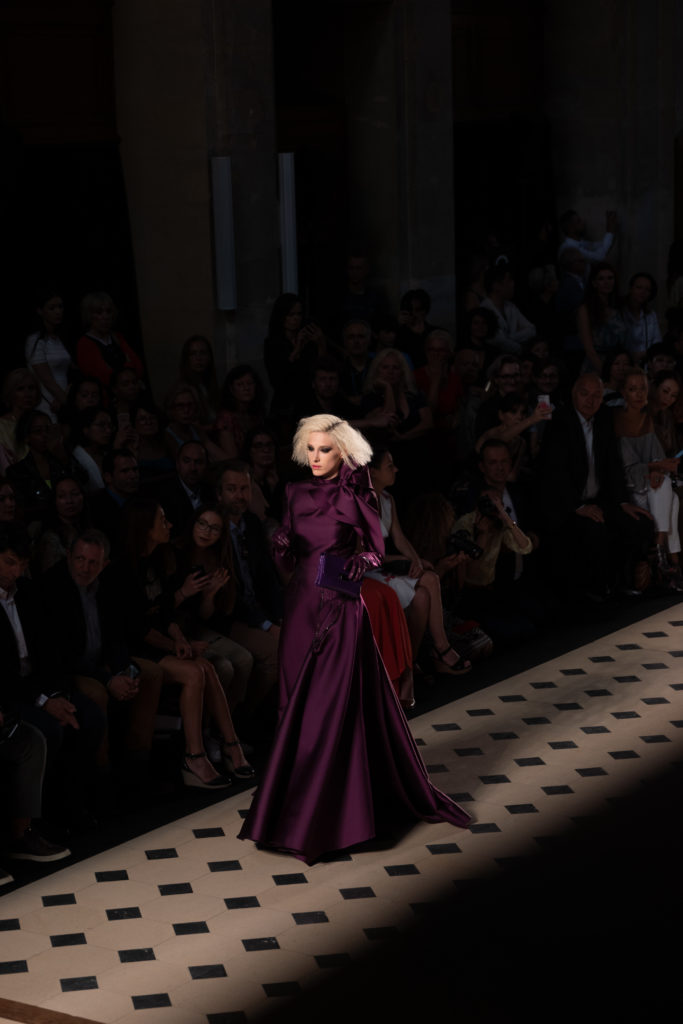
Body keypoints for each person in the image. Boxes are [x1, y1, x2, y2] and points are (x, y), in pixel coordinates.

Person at [238, 414, 471, 865]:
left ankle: (331, 816)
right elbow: (289, 558)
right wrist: (281, 545)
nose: (315, 457)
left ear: (342, 451)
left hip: (341, 606)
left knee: (330, 705)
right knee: (295, 702)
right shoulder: (294, 492)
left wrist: (358, 563)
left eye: (324, 449)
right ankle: (291, 807)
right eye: (310, 448)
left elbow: (375, 550)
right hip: (301, 605)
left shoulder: (357, 493)